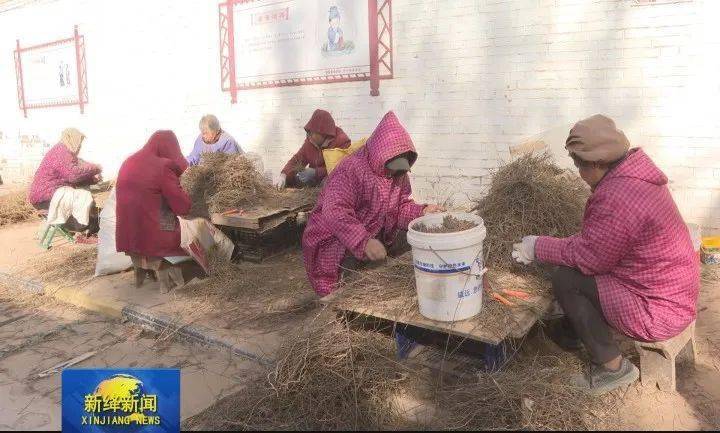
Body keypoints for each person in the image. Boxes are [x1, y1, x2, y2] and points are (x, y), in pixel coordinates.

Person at [512, 114, 699, 395]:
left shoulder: (616, 197)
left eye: (578, 164)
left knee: (567, 278)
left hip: (658, 310)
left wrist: (537, 246)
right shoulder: (636, 176)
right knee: (578, 269)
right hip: (675, 294)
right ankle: (575, 332)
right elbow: (602, 243)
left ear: (598, 163)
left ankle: (613, 368)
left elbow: (590, 257)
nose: (577, 172)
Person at [302, 111, 444, 296]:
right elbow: (335, 212)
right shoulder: (351, 169)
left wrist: (422, 212)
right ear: (381, 156)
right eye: (392, 168)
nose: (395, 175)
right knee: (346, 291)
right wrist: (364, 242)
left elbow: (399, 207)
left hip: (371, 231)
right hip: (334, 236)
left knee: (410, 243)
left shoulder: (398, 174)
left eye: (400, 170)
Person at [116, 130, 191, 258]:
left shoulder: (128, 161)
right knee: (173, 218)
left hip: (128, 236)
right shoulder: (163, 167)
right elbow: (182, 207)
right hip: (154, 240)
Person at [28, 128, 102, 236]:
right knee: (83, 196)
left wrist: (92, 178)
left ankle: (89, 225)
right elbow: (74, 175)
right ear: (73, 140)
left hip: (46, 195)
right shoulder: (61, 151)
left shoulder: (63, 151)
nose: (80, 147)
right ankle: (84, 228)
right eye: (79, 143)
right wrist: (95, 168)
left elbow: (72, 174)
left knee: (82, 197)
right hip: (45, 197)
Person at [276, 109, 351, 189]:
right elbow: (297, 159)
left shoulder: (342, 141)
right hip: (314, 181)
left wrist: (316, 172)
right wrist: (283, 175)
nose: (309, 136)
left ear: (323, 132)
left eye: (312, 133)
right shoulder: (311, 140)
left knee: (329, 182)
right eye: (309, 132)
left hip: (331, 181)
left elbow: (341, 168)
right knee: (294, 179)